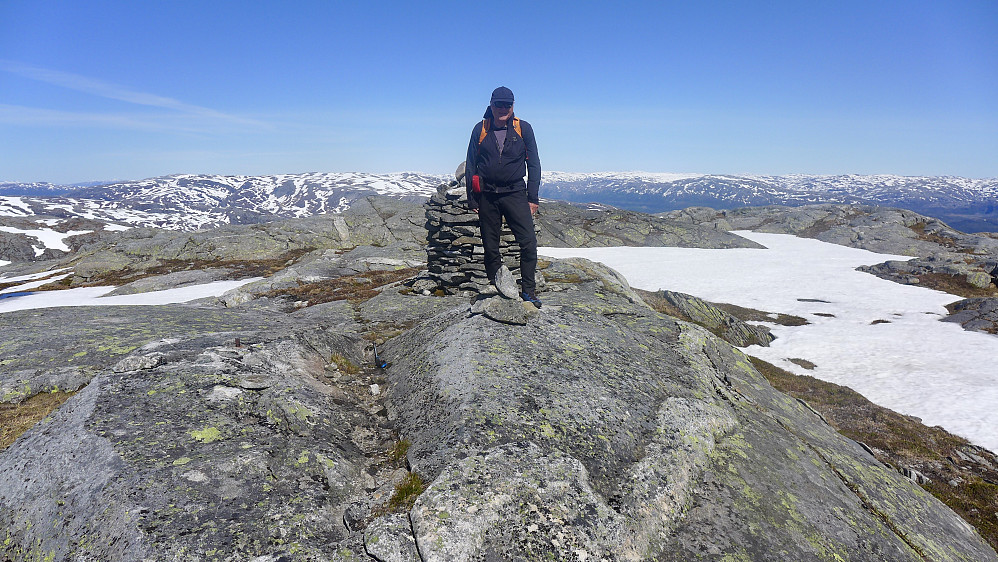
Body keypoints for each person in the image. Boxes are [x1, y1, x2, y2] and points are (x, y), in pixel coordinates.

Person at [465, 86, 542, 307]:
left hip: (515, 192)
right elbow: (471, 164)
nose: (502, 108)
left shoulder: (523, 129)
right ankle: (498, 285)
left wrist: (533, 197)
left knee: (528, 242)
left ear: (513, 106)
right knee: (490, 245)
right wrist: (473, 199)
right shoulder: (480, 129)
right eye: (498, 104)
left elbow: (534, 163)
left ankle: (528, 290)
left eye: (507, 105)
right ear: (491, 105)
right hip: (487, 194)